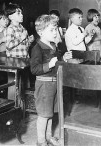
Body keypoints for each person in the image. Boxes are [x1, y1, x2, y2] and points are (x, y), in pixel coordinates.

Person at [30, 15, 72, 146]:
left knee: (50, 113)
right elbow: (34, 69)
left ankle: (48, 137)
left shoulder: (54, 46)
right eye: (52, 30)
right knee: (43, 114)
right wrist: (49, 65)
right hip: (44, 85)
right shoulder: (37, 48)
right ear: (41, 32)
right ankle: (41, 141)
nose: (55, 33)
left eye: (55, 29)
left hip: (55, 83)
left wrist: (63, 58)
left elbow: (57, 63)